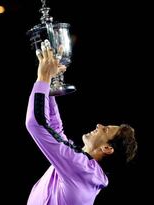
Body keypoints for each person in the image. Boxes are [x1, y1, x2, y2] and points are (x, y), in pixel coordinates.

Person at [25, 39, 138, 205]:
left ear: (106, 148)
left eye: (105, 129)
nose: (99, 125)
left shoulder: (81, 169)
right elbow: (54, 129)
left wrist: (43, 77)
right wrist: (50, 86)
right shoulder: (85, 169)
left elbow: (36, 124)